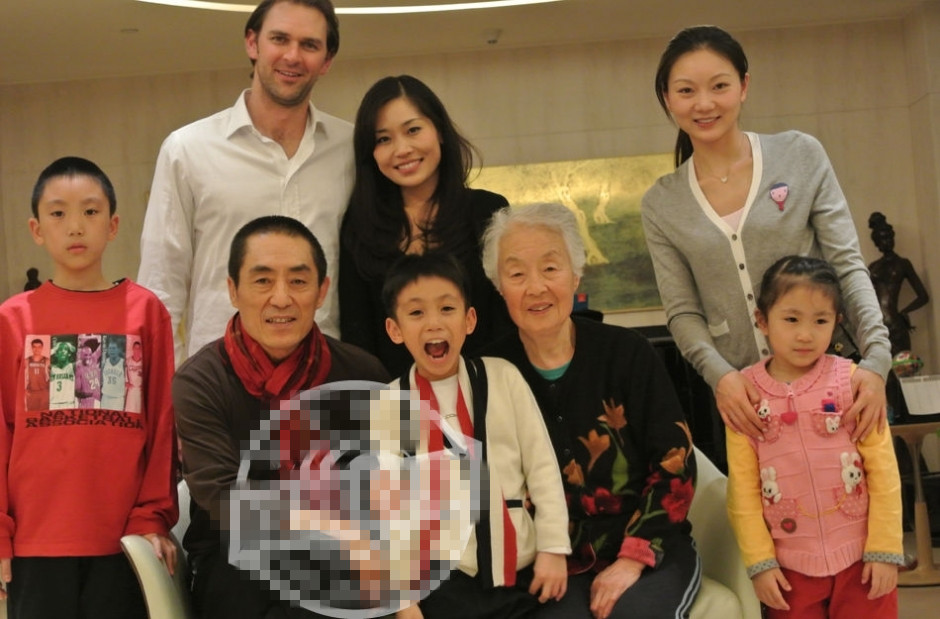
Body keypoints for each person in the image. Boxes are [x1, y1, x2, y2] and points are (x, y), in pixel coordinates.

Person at [641, 25, 892, 444]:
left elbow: (847, 266)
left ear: (743, 86)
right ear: (667, 98)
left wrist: (877, 360)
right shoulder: (661, 203)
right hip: (746, 401)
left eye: (719, 86)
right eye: (686, 91)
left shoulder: (799, 154)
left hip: (836, 385)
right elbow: (683, 312)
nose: (704, 103)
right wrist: (721, 377)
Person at [481, 203, 699, 619]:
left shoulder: (627, 354)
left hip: (648, 546)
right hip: (549, 561)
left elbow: (676, 461)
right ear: (499, 286)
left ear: (576, 274)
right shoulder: (488, 372)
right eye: (517, 274)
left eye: (550, 268)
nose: (536, 287)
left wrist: (632, 559)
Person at [173, 215, 390, 619]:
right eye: (262, 280)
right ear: (233, 290)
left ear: (322, 291)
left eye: (298, 281)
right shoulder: (200, 381)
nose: (281, 298)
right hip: (234, 558)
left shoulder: (363, 374)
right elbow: (223, 499)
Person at [0, 156, 178, 618]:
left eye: (91, 211)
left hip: (124, 543)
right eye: (58, 213)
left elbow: (162, 426)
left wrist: (152, 517)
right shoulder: (13, 318)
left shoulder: (146, 313)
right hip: (35, 543)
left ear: (113, 225)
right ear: (37, 229)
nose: (75, 226)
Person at [139, 0, 351, 365]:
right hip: (219, 378)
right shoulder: (187, 150)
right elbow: (161, 288)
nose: (292, 56)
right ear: (252, 43)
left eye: (309, 45)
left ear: (327, 61)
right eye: (279, 39)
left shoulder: (350, 149)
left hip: (325, 376)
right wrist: (174, 387)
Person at [381, 252, 570, 619]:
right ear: (395, 330)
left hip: (521, 568)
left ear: (469, 319)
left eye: (447, 309)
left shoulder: (503, 377)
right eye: (417, 313)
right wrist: (405, 602)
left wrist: (553, 548)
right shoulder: (390, 404)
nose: (434, 323)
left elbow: (543, 468)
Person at [726, 255, 903, 617]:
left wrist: (885, 550)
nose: (805, 334)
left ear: (837, 323)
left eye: (820, 321)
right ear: (762, 320)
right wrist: (760, 563)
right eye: (791, 319)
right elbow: (742, 489)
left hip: (864, 561)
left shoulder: (854, 383)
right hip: (788, 571)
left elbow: (884, 472)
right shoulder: (746, 396)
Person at [340, 75, 512, 376]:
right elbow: (358, 336)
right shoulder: (360, 226)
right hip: (395, 397)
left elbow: (506, 320)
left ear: (440, 131)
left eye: (413, 130)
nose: (402, 149)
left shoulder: (488, 211)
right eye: (383, 139)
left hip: (486, 387)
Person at [867, 212, 929, 355]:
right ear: (877, 242)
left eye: (889, 237)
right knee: (879, 365)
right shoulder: (873, 267)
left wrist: (904, 312)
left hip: (895, 324)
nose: (887, 241)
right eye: (883, 238)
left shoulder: (902, 263)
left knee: (902, 364)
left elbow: (923, 296)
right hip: (876, 325)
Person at [101, 335, 127, 411]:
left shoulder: (123, 363)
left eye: (114, 348)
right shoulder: (104, 363)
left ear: (118, 350)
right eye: (110, 348)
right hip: (105, 397)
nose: (112, 350)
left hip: (117, 399)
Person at [24, 339, 49, 411]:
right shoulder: (27, 360)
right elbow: (22, 377)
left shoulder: (47, 360)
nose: (37, 349)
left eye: (39, 347)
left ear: (42, 348)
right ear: (31, 348)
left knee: (44, 413)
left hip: (44, 392)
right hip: (31, 392)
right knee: (32, 413)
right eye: (34, 347)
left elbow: (52, 377)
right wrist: (24, 389)